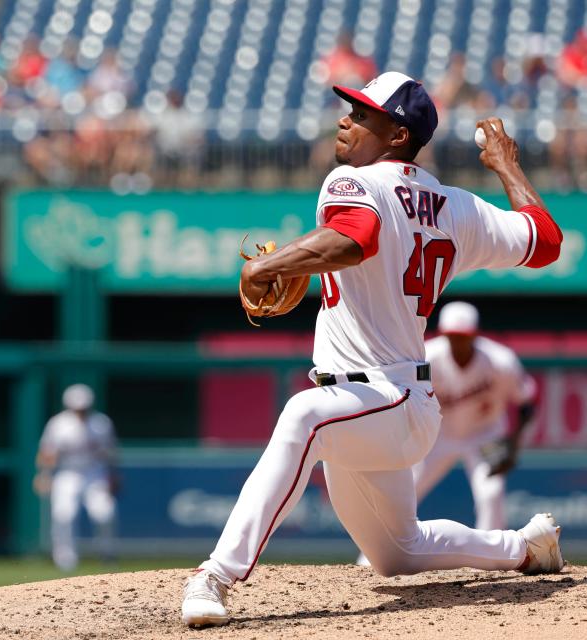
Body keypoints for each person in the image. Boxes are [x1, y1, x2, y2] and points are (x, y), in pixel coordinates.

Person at [181, 71, 564, 628]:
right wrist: (505, 165)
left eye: (363, 116)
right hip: (388, 409)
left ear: (397, 136)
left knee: (303, 415)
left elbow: (356, 239)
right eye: (351, 111)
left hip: (384, 394)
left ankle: (216, 574)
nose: (346, 120)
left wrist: (271, 261)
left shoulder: (353, 181)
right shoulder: (458, 207)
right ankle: (525, 548)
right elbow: (546, 242)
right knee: (397, 553)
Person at [357, 301, 537, 566]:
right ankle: (370, 557)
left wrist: (513, 444)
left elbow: (527, 401)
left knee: (490, 493)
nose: (457, 342)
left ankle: (492, 561)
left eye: (462, 337)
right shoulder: (427, 358)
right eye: (452, 336)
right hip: (438, 435)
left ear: (475, 335)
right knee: (407, 488)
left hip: (484, 435)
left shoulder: (500, 361)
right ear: (443, 335)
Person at [34, 384, 118, 572]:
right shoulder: (58, 424)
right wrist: (44, 474)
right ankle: (65, 559)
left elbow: (111, 452)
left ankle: (108, 553)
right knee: (64, 514)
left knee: (105, 512)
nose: (81, 412)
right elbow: (47, 452)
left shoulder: (101, 423)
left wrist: (114, 475)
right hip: (67, 472)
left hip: (95, 472)